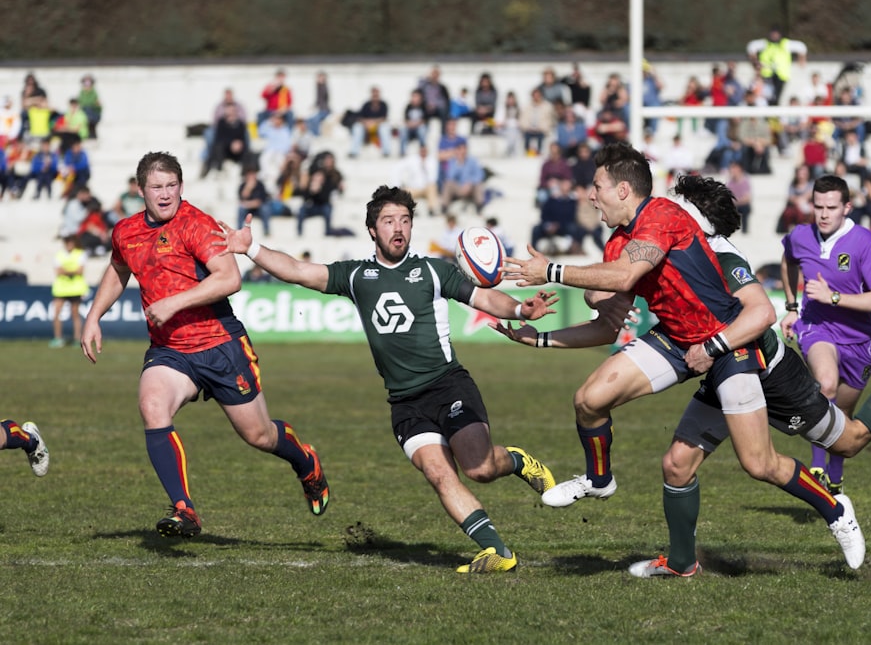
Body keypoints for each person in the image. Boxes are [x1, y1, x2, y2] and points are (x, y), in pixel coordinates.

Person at [494, 172, 871, 577]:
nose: (669, 209)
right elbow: (609, 309)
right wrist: (545, 332)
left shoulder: (722, 256)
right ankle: (681, 563)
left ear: (697, 220)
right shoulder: (655, 242)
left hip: (763, 367)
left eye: (682, 206)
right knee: (676, 464)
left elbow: (757, 315)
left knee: (845, 442)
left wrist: (707, 344)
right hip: (713, 361)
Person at [213, 185, 559, 574]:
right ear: (372, 230)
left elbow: (482, 299)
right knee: (439, 473)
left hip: (449, 385)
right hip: (405, 403)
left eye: (406, 221)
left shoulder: (433, 270)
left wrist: (520, 309)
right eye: (389, 221)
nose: (399, 228)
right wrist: (251, 249)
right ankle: (497, 551)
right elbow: (300, 271)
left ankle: (516, 461)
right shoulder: (358, 275)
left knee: (479, 469)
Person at [80, 151, 329, 538]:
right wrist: (94, 316)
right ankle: (185, 510)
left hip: (219, 345)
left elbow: (229, 278)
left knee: (258, 435)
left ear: (181, 186)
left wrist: (174, 302)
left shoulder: (197, 223)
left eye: (171, 186)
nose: (165, 195)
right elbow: (119, 269)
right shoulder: (125, 231)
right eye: (156, 187)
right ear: (140, 190)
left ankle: (305, 460)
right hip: (170, 350)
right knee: (151, 404)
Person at [781, 174, 871, 495]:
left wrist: (834, 297)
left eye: (831, 207)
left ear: (847, 207)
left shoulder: (865, 242)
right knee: (825, 385)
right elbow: (787, 259)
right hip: (816, 327)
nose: (824, 214)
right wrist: (792, 306)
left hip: (859, 341)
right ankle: (816, 467)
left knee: (842, 414)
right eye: (818, 206)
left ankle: (835, 471)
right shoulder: (801, 236)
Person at [746, 25, 808, 105]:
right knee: (768, 97)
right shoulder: (765, 44)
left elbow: (801, 47)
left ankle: (773, 115)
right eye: (773, 34)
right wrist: (755, 62)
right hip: (767, 75)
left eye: (776, 34)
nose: (774, 36)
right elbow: (751, 47)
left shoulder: (785, 44)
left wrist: (802, 60)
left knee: (776, 98)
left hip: (781, 76)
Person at [51, 232, 89, 348]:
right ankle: (58, 338)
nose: (68, 244)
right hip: (61, 289)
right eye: (66, 241)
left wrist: (65, 270)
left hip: (75, 289)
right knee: (57, 313)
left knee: (75, 314)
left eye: (70, 241)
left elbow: (80, 271)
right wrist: (72, 270)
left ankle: (77, 338)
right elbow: (58, 271)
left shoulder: (80, 254)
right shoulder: (59, 254)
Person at [298, 151, 345, 237]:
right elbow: (305, 197)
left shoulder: (332, 178)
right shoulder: (314, 175)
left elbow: (326, 197)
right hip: (313, 205)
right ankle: (299, 233)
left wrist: (320, 189)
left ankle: (328, 231)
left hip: (323, 205)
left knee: (327, 208)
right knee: (302, 210)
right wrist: (312, 191)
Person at [391, 143, 439, 216]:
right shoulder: (412, 160)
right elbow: (397, 168)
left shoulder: (432, 161)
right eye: (422, 150)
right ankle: (411, 210)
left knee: (432, 186)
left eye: (425, 150)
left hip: (426, 188)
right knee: (403, 192)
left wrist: (425, 167)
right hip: (414, 188)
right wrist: (398, 184)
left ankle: (431, 209)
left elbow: (433, 178)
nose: (423, 152)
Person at [439, 142, 486, 215]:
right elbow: (449, 176)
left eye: (464, 149)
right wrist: (458, 164)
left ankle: (479, 206)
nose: (462, 151)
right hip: (458, 188)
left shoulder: (473, 161)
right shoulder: (452, 161)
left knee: (478, 184)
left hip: (470, 188)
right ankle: (444, 207)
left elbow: (479, 175)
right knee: (448, 183)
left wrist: (470, 183)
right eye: (460, 149)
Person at [349, 86, 392, 159]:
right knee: (357, 128)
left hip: (378, 126)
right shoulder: (366, 104)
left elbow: (384, 118)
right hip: (367, 126)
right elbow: (360, 117)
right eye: (373, 94)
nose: (375, 96)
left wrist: (374, 122)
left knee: (384, 128)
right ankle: (354, 151)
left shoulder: (383, 104)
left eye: (376, 94)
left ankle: (386, 151)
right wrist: (367, 123)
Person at [519, 87, 557, 156]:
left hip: (541, 130)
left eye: (538, 95)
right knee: (526, 137)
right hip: (529, 130)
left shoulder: (548, 106)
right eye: (534, 95)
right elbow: (522, 120)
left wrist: (543, 128)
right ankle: (527, 153)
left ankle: (539, 154)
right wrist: (527, 128)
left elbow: (551, 120)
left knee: (541, 137)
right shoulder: (526, 107)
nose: (536, 97)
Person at [237, 165, 271, 238]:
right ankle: (239, 230)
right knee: (241, 209)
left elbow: (259, 202)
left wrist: (247, 204)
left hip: (258, 209)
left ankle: (266, 231)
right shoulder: (243, 185)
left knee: (265, 209)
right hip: (248, 209)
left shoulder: (260, 185)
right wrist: (248, 187)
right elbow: (242, 199)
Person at [399, 89, 429, 157]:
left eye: (416, 97)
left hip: (419, 128)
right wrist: (410, 124)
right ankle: (402, 152)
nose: (414, 98)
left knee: (422, 129)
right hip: (410, 129)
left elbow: (425, 120)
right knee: (403, 130)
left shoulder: (424, 107)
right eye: (413, 96)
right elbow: (405, 120)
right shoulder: (408, 107)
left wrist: (416, 124)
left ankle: (422, 149)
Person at [726, 160, 752, 233]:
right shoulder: (730, 182)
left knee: (745, 208)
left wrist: (736, 202)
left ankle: (745, 231)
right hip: (734, 204)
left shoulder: (745, 181)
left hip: (741, 205)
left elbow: (747, 198)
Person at [305, 71, 330, 136]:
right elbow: (318, 100)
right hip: (321, 110)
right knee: (309, 120)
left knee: (314, 120)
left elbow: (324, 98)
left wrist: (321, 84)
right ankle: (314, 134)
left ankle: (316, 135)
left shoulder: (323, 87)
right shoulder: (319, 87)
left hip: (324, 110)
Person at [77, 75, 102, 139]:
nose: (87, 86)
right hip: (85, 114)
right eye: (85, 83)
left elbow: (92, 103)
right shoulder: (82, 93)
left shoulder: (94, 93)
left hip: (93, 114)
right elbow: (81, 103)